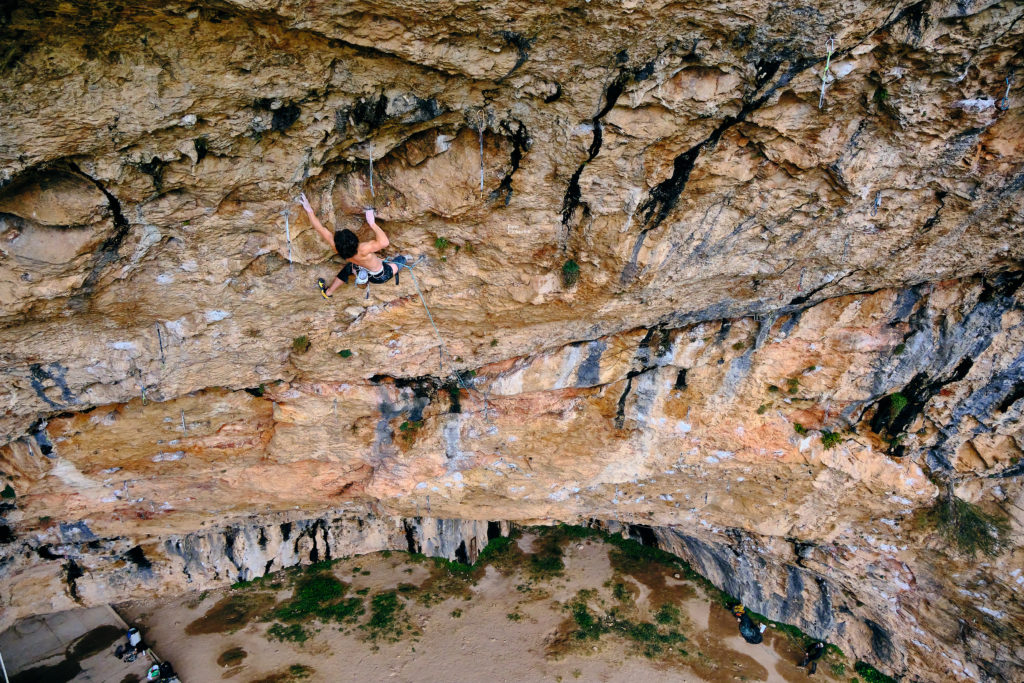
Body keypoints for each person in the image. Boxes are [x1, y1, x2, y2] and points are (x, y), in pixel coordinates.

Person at [298, 193, 404, 298]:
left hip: (363, 268)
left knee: (349, 268)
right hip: (381, 276)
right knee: (401, 259)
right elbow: (384, 242)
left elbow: (320, 229)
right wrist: (372, 223)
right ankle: (368, 272)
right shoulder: (363, 249)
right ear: (354, 239)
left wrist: (309, 210)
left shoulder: (337, 247)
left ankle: (328, 292)